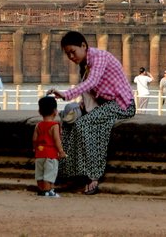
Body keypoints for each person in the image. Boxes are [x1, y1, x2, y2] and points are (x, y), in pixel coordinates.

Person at [47, 31, 135, 195]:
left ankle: (93, 178)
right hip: (102, 106)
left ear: (84, 46)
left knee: (85, 124)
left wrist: (66, 95)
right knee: (68, 125)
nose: (71, 57)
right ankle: (69, 175)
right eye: (68, 54)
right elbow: (90, 92)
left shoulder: (99, 56)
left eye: (73, 52)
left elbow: (92, 82)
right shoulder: (85, 65)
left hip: (121, 104)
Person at [33, 96, 66, 198]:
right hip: (50, 154)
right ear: (55, 111)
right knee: (49, 173)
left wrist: (35, 148)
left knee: (40, 173)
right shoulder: (54, 125)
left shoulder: (38, 125)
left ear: (39, 111)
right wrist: (61, 151)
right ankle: (47, 191)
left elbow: (34, 139)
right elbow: (57, 140)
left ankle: (41, 190)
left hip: (40, 153)